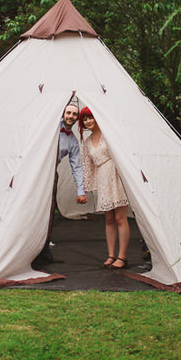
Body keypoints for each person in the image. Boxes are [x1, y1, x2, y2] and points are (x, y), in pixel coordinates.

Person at [79, 107, 130, 269]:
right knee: (108, 219)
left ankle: (122, 256)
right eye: (85, 119)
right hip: (102, 178)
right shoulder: (87, 143)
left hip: (115, 175)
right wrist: (83, 189)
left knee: (120, 218)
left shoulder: (110, 134)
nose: (88, 121)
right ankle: (111, 255)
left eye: (90, 117)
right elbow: (87, 166)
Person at [37, 103, 88, 263]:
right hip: (36, 172)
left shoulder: (72, 141)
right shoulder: (48, 128)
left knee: (49, 209)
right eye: (68, 113)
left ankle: (43, 244)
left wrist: (81, 190)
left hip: (52, 174)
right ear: (63, 113)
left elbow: (77, 166)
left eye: (74, 114)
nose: (70, 116)